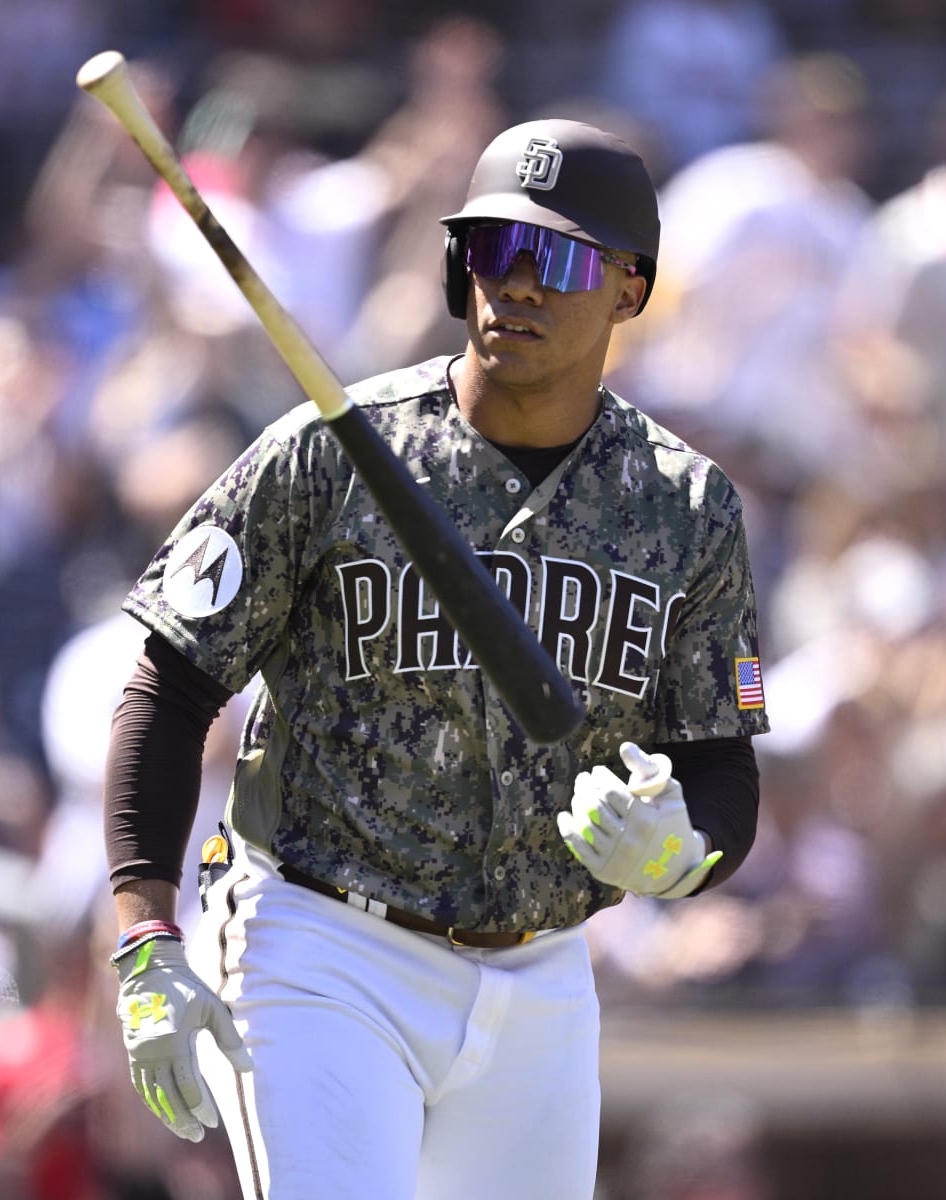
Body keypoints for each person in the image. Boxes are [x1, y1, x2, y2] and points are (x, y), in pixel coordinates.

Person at [102, 119, 770, 1198]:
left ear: (630, 289)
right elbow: (170, 684)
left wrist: (681, 855)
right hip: (321, 938)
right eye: (488, 252)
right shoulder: (333, 449)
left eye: (552, 259)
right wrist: (144, 937)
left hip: (542, 969)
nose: (514, 286)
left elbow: (722, 764)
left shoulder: (685, 505)